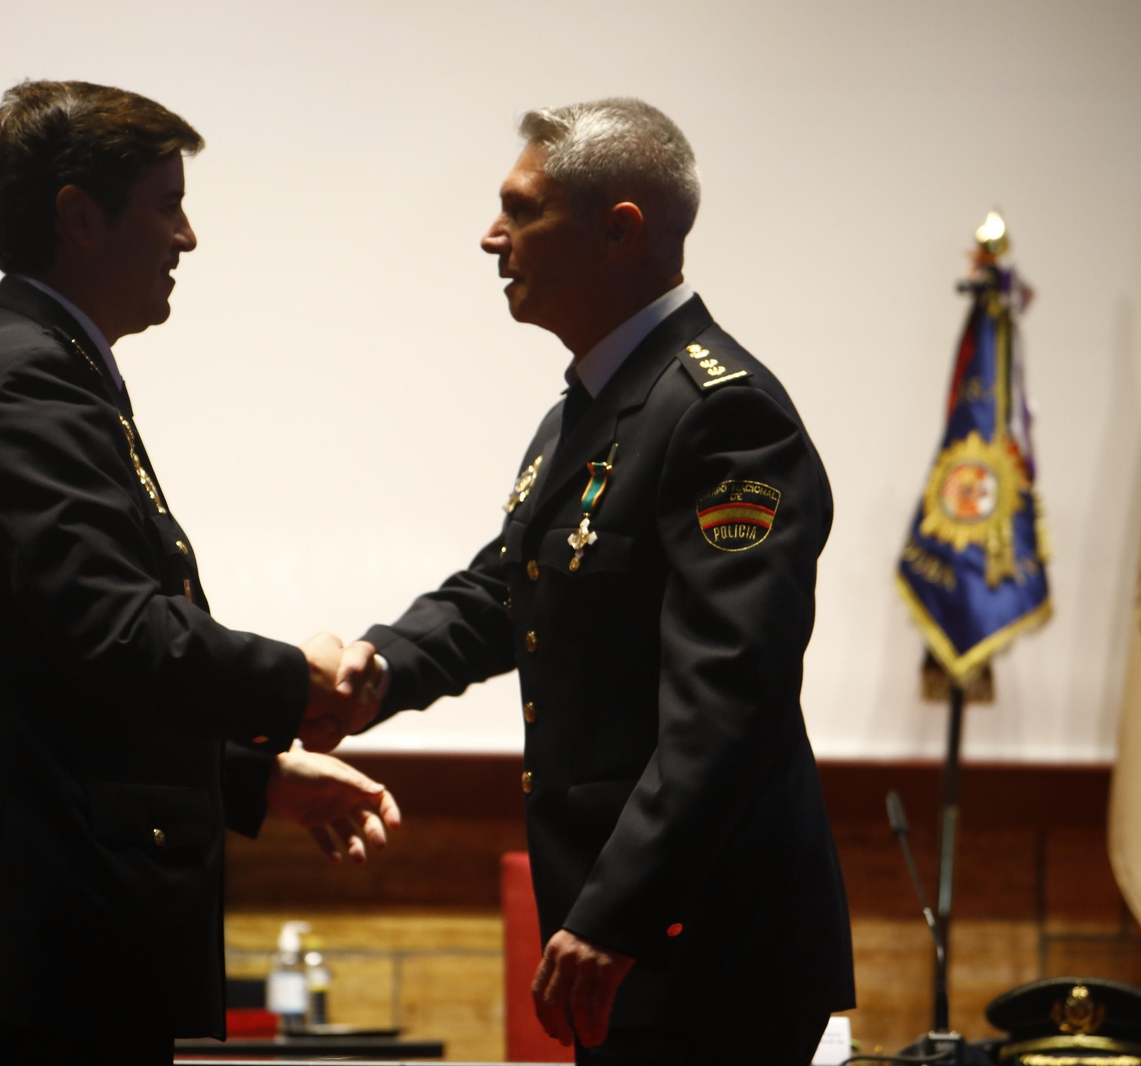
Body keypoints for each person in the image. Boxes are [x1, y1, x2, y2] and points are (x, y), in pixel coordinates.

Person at [334, 99, 854, 1064]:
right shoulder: (597, 405)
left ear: (620, 231)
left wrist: (619, 915)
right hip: (636, 940)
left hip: (703, 945)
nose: (492, 237)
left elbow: (726, 701)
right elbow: (509, 590)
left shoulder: (720, 417)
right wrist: (375, 669)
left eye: (523, 211)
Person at [0, 80, 387, 1064]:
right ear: (79, 217)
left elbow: (67, 676)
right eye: (166, 204)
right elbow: (114, 630)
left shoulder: (41, 363)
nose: (187, 237)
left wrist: (255, 773)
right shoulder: (30, 376)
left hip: (52, 934)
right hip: (43, 940)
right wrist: (298, 677)